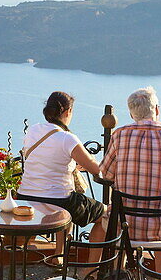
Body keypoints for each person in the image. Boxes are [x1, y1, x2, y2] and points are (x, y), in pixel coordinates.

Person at [99, 87, 161, 277]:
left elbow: (105, 173)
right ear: (157, 109)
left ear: (131, 113)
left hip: (126, 224)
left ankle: (119, 279)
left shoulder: (119, 135)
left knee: (114, 217)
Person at [16, 92, 107, 258]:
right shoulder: (67, 138)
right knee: (107, 215)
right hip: (58, 200)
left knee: (64, 204)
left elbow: (48, 158)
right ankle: (90, 268)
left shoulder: (33, 130)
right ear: (68, 112)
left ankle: (56, 256)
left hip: (26, 196)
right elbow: (96, 169)